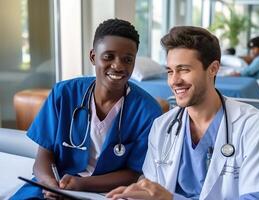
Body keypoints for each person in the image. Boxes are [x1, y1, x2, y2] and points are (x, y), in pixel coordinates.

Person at [107, 26, 259, 200]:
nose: (174, 81)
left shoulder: (254, 126)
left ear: (213, 69)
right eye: (170, 71)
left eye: (184, 69)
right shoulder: (162, 126)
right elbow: (152, 188)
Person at [11, 18, 162, 199]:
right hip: (56, 185)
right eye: (108, 56)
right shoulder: (63, 94)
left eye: (127, 59)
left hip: (107, 192)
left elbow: (133, 173)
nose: (118, 65)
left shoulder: (147, 110)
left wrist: (81, 184)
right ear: (93, 57)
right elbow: (43, 157)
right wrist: (49, 184)